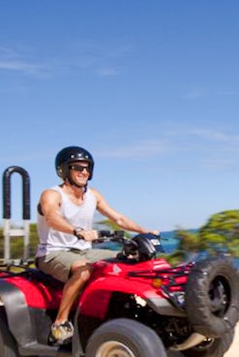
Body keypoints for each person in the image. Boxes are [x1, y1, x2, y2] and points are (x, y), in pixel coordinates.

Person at [36, 146, 155, 345]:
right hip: (53, 253)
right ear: (64, 170)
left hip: (84, 251)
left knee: (127, 259)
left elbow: (118, 218)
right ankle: (60, 323)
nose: (84, 172)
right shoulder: (52, 194)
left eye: (87, 168)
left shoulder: (92, 195)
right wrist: (77, 231)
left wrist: (145, 232)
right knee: (83, 271)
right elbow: (52, 218)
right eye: (78, 168)